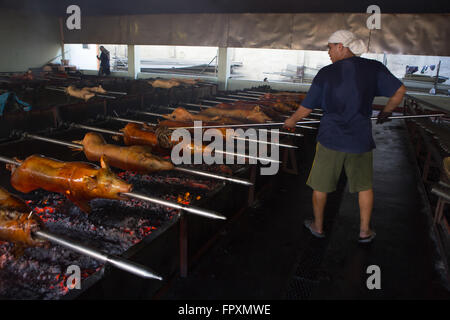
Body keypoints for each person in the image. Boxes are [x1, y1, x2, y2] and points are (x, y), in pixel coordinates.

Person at [284, 30, 406, 243]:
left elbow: (307, 107)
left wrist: (292, 121)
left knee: (320, 186)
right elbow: (400, 90)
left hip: (331, 139)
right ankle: (364, 231)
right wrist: (387, 111)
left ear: (341, 46)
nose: (328, 52)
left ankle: (318, 226)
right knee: (364, 186)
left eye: (329, 47)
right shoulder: (374, 68)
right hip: (360, 139)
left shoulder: (327, 73)